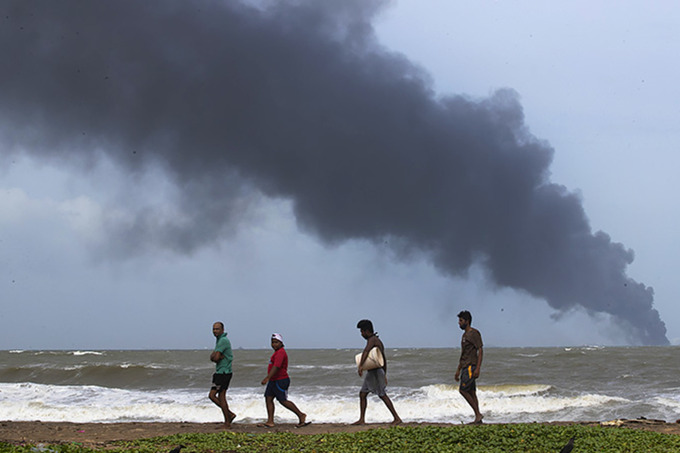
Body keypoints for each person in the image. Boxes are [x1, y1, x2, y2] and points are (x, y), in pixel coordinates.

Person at [352, 319, 402, 425]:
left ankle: (397, 418)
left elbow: (366, 351)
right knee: (362, 394)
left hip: (376, 373)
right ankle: (361, 419)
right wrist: (385, 374)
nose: (361, 334)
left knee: (382, 394)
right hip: (372, 372)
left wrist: (360, 366)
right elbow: (383, 359)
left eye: (361, 331)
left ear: (366, 331)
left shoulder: (373, 340)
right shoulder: (374, 340)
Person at [259, 333, 309, 428]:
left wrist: (267, 377)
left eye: (276, 342)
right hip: (273, 380)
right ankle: (270, 421)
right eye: (272, 342)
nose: (274, 344)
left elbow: (276, 366)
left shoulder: (281, 353)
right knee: (268, 398)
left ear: (281, 343)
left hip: (280, 380)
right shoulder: (276, 353)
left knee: (283, 400)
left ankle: (301, 415)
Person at [454, 310, 483, 424]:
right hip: (465, 366)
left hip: (471, 367)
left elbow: (480, 350)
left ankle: (478, 414)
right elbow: (464, 354)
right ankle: (478, 418)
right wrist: (458, 370)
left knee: (463, 390)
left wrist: (478, 368)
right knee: (471, 392)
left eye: (461, 321)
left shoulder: (474, 333)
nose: (459, 323)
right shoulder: (464, 335)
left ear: (467, 321)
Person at [208, 321, 236, 428]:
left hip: (224, 372)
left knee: (218, 396)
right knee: (214, 396)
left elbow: (214, 357)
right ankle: (229, 415)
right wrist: (215, 357)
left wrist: (215, 357)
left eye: (217, 329)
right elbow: (213, 357)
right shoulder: (219, 340)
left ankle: (227, 421)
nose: (215, 331)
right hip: (220, 372)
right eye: (214, 329)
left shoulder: (223, 341)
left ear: (222, 330)